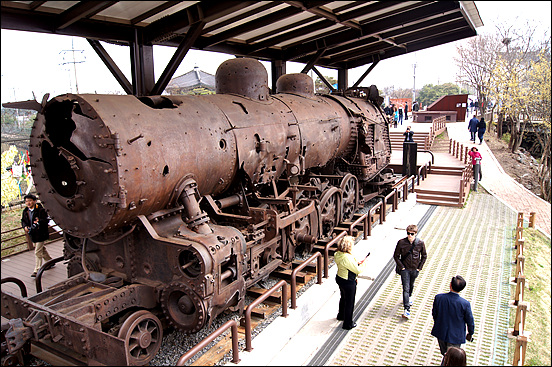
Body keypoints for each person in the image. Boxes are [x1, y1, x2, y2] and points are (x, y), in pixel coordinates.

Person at [431, 275, 475, 357]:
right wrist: (470, 333)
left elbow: (434, 314)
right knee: (452, 357)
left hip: (441, 332)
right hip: (456, 336)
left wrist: (439, 323)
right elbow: (470, 320)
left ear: (450, 285)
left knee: (445, 354)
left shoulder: (439, 298)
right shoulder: (465, 304)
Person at [335, 235, 368, 330]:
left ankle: (341, 315)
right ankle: (348, 323)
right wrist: (364, 263)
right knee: (350, 302)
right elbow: (357, 270)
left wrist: (356, 263)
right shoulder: (347, 257)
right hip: (348, 281)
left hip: (340, 278)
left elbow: (348, 265)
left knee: (343, 297)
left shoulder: (338, 254)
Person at [393, 224, 427, 319]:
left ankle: (410, 297)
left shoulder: (420, 243)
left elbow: (424, 255)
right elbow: (396, 256)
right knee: (405, 288)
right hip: (405, 269)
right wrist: (402, 267)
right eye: (408, 233)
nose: (410, 236)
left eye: (412, 234)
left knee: (411, 284)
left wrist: (419, 268)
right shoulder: (401, 243)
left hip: (415, 269)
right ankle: (406, 309)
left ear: (415, 233)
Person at [21, 194, 52, 277]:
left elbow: (46, 220)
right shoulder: (25, 211)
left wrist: (39, 222)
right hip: (33, 234)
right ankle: (50, 262)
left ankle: (37, 270)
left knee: (37, 252)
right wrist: (25, 227)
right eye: (26, 201)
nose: (28, 203)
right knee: (42, 249)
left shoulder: (41, 210)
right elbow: (23, 221)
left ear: (34, 201)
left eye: (30, 201)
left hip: (41, 233)